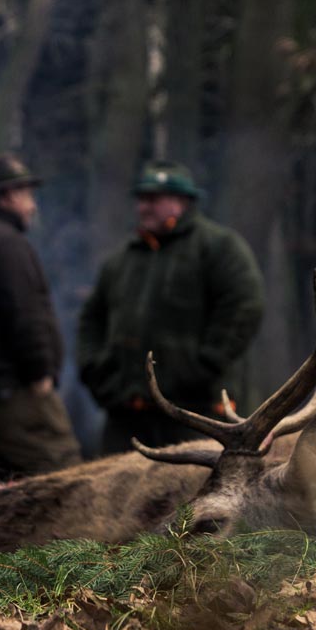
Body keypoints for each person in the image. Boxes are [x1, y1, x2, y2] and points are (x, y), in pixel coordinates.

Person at [77, 160, 264, 453]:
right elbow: (91, 321)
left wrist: (201, 368)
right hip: (127, 418)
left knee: (195, 484)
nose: (144, 207)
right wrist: (96, 372)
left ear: (181, 202)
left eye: (154, 199)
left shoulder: (219, 248)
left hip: (196, 416)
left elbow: (244, 308)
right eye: (141, 199)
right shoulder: (122, 260)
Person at [0, 153, 82, 481]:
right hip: (15, 392)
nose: (32, 206)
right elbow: (25, 314)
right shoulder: (6, 245)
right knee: (66, 476)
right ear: (8, 196)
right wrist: (40, 372)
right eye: (28, 195)